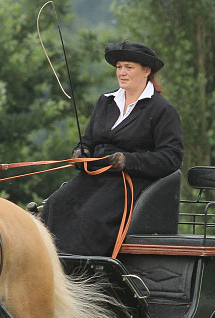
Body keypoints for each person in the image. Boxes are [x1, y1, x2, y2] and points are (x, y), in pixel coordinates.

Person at [41, 40, 184, 256]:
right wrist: (82, 152)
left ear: (146, 71)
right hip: (95, 176)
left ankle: (84, 271)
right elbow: (88, 139)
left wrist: (128, 161)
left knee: (90, 216)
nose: (122, 73)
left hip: (130, 183)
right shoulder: (106, 102)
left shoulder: (163, 110)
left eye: (129, 67)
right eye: (119, 67)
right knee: (54, 205)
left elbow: (172, 157)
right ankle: (51, 265)